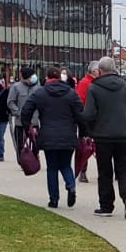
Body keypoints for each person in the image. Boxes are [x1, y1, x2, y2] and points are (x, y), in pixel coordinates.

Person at [80, 56, 126, 219]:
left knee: (105, 172)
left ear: (99, 70)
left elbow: (88, 114)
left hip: (103, 136)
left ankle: (106, 205)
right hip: (122, 135)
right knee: (122, 170)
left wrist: (91, 131)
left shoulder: (94, 88)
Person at [20, 66, 84, 208]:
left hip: (48, 134)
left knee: (52, 167)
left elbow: (26, 111)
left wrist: (28, 127)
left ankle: (54, 199)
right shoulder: (71, 93)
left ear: (47, 77)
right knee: (65, 165)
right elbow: (81, 114)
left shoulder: (40, 93)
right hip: (68, 134)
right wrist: (82, 133)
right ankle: (70, 185)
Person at [8, 66, 37, 155]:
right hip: (20, 122)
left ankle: (34, 161)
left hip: (34, 122)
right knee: (20, 145)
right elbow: (10, 102)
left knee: (36, 145)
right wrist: (18, 112)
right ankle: (22, 162)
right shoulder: (16, 87)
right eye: (32, 75)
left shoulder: (37, 88)